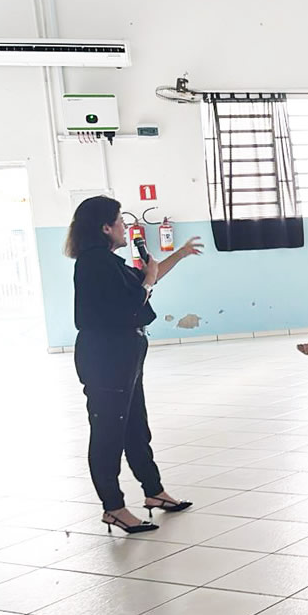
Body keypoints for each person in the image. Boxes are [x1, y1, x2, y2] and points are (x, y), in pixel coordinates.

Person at [66, 196, 203, 534]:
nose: (125, 227)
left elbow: (146, 279)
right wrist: (148, 281)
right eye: (120, 221)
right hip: (105, 359)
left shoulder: (108, 262)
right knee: (109, 433)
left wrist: (180, 254)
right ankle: (113, 507)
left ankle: (154, 491)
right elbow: (130, 302)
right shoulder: (94, 263)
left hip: (124, 358)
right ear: (105, 227)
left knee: (135, 428)